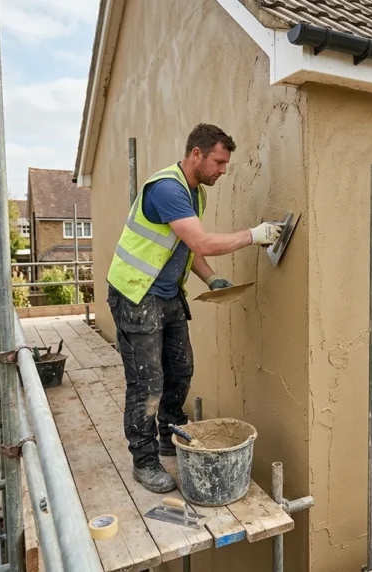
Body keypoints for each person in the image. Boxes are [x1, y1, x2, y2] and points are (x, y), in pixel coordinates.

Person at [107, 123, 283, 493]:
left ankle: (168, 436)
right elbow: (202, 239)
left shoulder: (194, 193)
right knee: (147, 383)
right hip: (137, 296)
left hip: (168, 295)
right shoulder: (168, 188)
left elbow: (186, 247)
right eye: (219, 162)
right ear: (196, 154)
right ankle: (144, 461)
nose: (223, 170)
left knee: (181, 369)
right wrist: (255, 235)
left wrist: (212, 278)